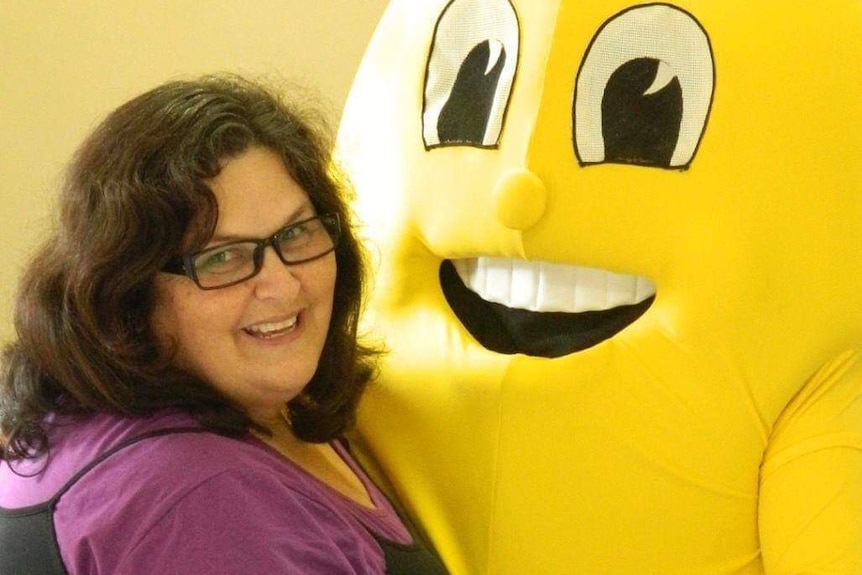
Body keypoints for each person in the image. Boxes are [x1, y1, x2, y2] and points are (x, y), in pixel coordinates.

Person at [0, 74, 448, 575]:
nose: (282, 286)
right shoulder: (199, 501)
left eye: (297, 232)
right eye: (223, 258)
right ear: (130, 292)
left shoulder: (253, 411)